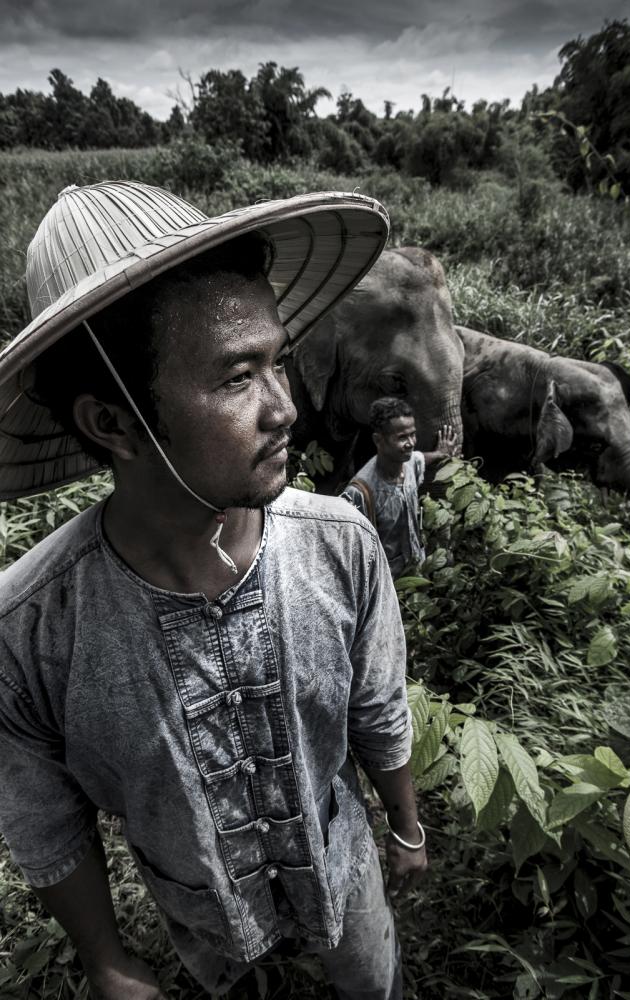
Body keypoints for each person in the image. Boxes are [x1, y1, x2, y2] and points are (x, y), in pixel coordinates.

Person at [0, 182, 427, 1000]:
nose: (286, 410)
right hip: (204, 922)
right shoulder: (32, 629)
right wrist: (107, 961)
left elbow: (377, 706)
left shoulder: (340, 544)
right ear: (113, 423)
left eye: (279, 363)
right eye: (237, 377)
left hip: (341, 873)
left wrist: (404, 827)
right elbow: (45, 824)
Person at [345, 397, 459, 578]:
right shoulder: (360, 492)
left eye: (412, 434)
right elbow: (349, 551)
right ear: (378, 440)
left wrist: (441, 453)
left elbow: (420, 457)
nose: (411, 443)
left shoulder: (410, 463)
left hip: (416, 570)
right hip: (387, 582)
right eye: (402, 438)